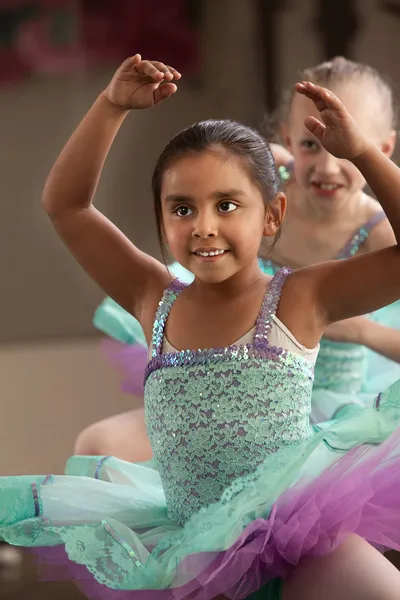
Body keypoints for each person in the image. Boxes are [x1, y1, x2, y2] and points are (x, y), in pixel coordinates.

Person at [2, 54, 400, 600]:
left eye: (227, 204)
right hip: (191, 553)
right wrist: (111, 106)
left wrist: (360, 155)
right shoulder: (152, 297)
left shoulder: (301, 298)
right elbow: (65, 206)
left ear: (272, 216)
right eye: (182, 209)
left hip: (294, 544)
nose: (204, 226)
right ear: (162, 217)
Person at [77, 57, 400, 461]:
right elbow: (72, 207)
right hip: (219, 385)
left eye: (342, 145)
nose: (326, 164)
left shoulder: (369, 238)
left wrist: (363, 333)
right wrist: (113, 104)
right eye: (310, 143)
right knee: (98, 443)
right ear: (287, 138)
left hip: (326, 408)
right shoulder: (260, 179)